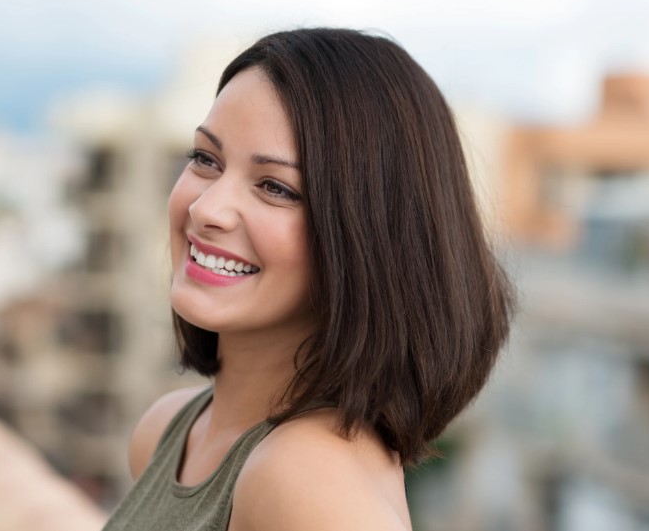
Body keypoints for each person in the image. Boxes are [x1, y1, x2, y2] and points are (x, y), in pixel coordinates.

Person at [102, 28, 515, 531]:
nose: (205, 208)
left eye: (275, 187)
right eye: (206, 159)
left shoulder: (308, 479)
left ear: (370, 239)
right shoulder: (170, 429)